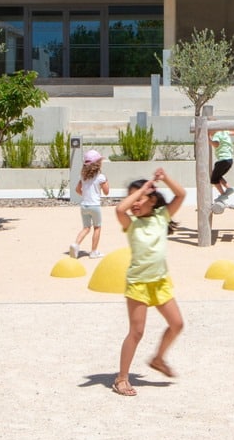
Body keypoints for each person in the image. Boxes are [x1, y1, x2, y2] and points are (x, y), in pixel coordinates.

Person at [112, 168, 186, 397]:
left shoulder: (161, 217)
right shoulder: (130, 223)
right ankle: (121, 378)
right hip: (139, 284)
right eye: (133, 196)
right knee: (136, 332)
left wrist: (165, 179)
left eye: (141, 198)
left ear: (153, 201)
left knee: (177, 324)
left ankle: (158, 358)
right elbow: (119, 208)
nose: (135, 202)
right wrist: (142, 190)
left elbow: (181, 195)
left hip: (160, 282)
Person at [71, 149, 110, 258]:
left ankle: (76, 244)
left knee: (86, 228)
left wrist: (86, 195)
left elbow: (78, 190)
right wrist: (106, 181)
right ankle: (93, 252)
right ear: (98, 164)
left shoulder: (83, 177)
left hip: (84, 205)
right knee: (97, 227)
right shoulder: (101, 177)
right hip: (95, 206)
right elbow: (107, 192)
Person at [210, 129, 234, 202]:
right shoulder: (224, 132)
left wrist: (208, 139)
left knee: (213, 179)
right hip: (229, 160)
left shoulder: (216, 135)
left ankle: (223, 195)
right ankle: (229, 188)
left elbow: (216, 144)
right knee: (218, 176)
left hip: (223, 160)